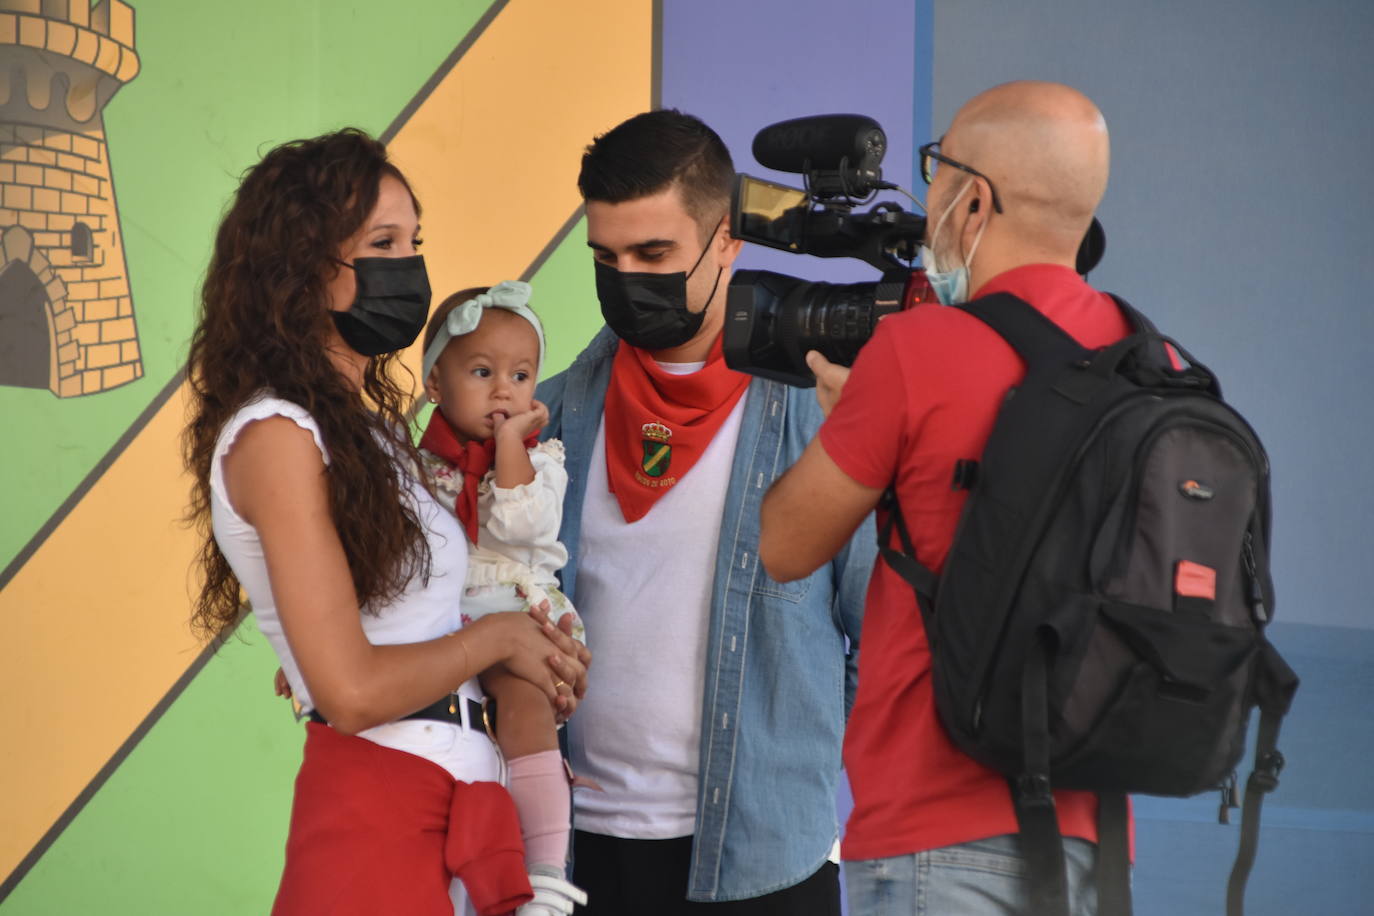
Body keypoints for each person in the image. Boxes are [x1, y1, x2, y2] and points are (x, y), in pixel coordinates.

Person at [183, 128, 588, 916]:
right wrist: (502, 640)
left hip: (468, 814)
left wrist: (535, 651)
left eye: (415, 241)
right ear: (303, 265)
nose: (409, 266)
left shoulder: (372, 436)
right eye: (383, 243)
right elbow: (353, 691)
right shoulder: (276, 433)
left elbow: (400, 626)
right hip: (380, 818)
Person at [759, 81, 1129, 915]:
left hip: (935, 834)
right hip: (1094, 843)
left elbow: (785, 544)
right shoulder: (1148, 358)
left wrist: (850, 421)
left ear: (974, 200)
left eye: (936, 170)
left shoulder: (919, 348)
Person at [536, 109, 872, 914]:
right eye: (605, 257)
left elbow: (885, 638)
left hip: (762, 864)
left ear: (728, 241)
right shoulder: (544, 422)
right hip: (569, 859)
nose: (627, 279)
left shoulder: (822, 417)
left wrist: (793, 767)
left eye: (654, 254)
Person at [416, 281, 588, 914]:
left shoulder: (542, 462)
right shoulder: (414, 469)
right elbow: (384, 564)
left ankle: (544, 876)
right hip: (441, 623)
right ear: (435, 382)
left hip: (516, 609)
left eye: (520, 375)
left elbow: (521, 525)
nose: (503, 391)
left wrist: (512, 443)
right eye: (482, 371)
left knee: (523, 711)